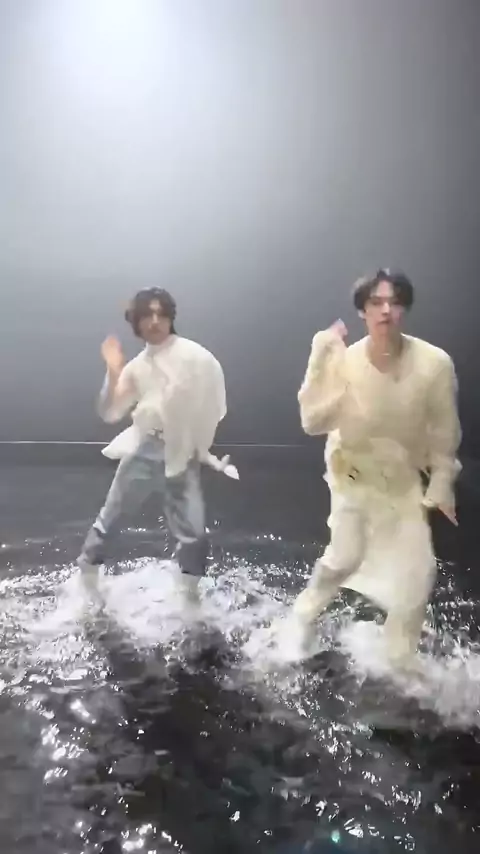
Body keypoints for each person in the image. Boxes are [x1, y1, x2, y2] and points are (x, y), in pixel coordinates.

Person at [284, 269, 462, 667]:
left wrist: (442, 482)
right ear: (362, 310)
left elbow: (444, 432)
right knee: (344, 557)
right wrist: (320, 357)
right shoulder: (344, 361)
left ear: (404, 309)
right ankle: (303, 616)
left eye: (394, 303)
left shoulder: (433, 364)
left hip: (401, 480)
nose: (385, 311)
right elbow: (313, 422)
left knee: (419, 572)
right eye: (376, 303)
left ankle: (399, 658)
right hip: (351, 474)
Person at [77, 287, 234, 610]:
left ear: (170, 317)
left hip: (182, 454)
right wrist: (113, 371)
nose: (154, 321)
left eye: (160, 314)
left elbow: (214, 399)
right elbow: (110, 412)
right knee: (111, 519)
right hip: (145, 449)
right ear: (136, 322)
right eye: (146, 315)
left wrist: (200, 445)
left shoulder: (195, 356)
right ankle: (87, 579)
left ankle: (189, 595)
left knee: (194, 533)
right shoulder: (137, 367)